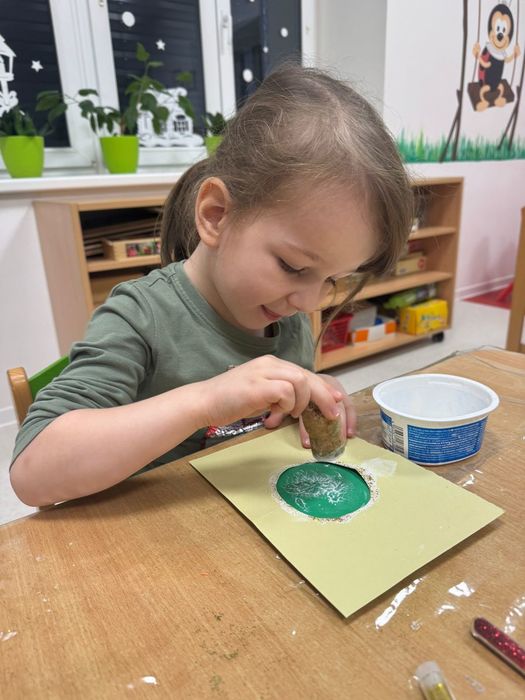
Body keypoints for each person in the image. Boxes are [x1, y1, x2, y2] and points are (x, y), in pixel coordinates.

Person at [10, 63, 413, 507]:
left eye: (332, 279)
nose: (309, 301)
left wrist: (309, 398)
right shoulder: (140, 317)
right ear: (216, 215)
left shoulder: (285, 315)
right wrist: (206, 400)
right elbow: (32, 474)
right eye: (292, 266)